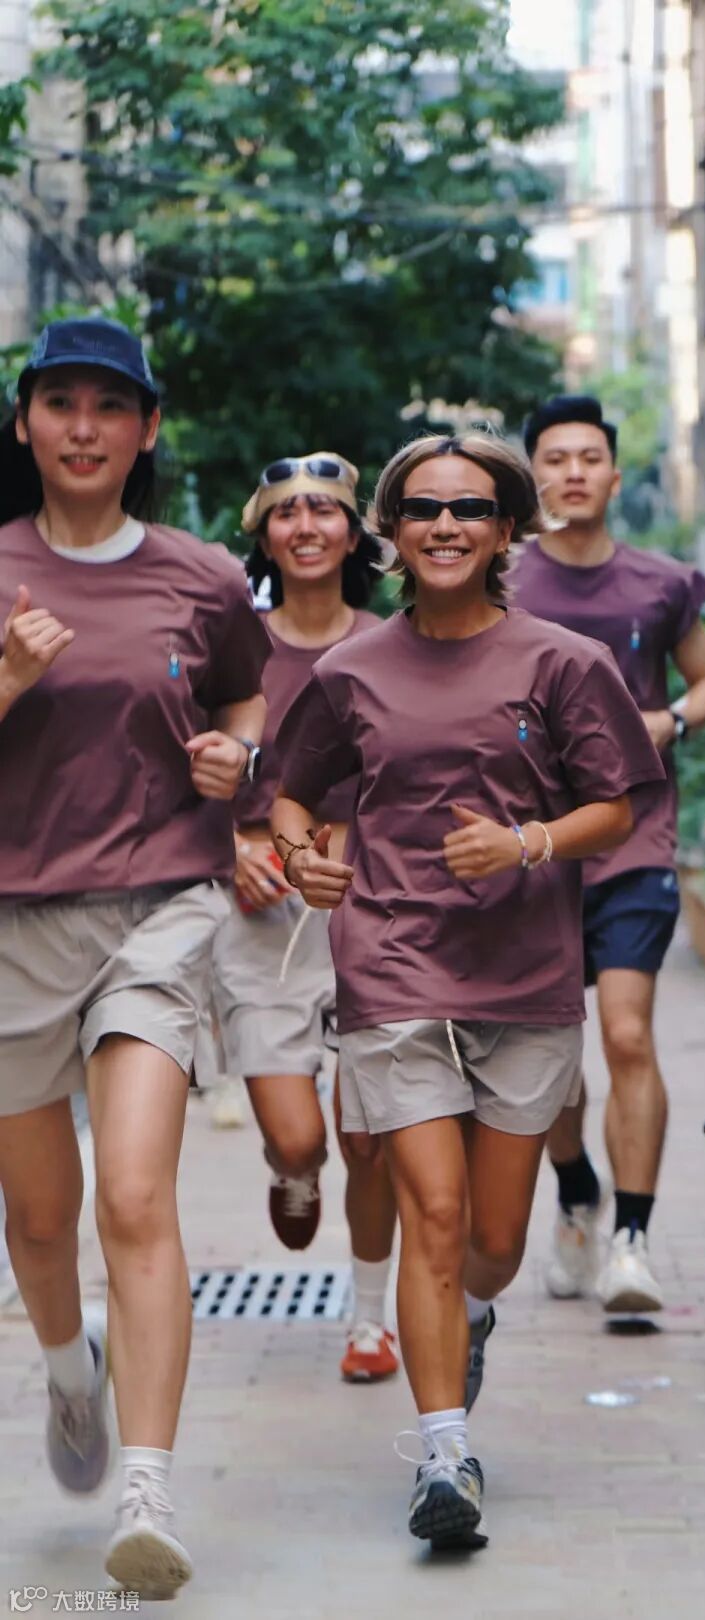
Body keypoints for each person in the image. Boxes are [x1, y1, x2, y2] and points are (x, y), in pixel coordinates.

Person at [271, 431, 664, 1551]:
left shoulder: (563, 662)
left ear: (505, 532)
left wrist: (528, 843)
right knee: (432, 1217)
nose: (446, 526)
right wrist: (301, 858)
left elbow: (617, 807)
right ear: (392, 534)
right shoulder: (349, 672)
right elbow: (293, 796)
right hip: (393, 964)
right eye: (424, 509)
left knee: (492, 1239)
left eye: (471, 509)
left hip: (525, 977)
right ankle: (444, 1457)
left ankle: (475, 1314)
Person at [0, 317, 270, 1597]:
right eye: (61, 402)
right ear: (25, 424)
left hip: (161, 908)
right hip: (14, 918)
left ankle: (148, 1491)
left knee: (134, 1197)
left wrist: (239, 757)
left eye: (111, 406)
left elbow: (245, 694)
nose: (85, 427)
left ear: (147, 429)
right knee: (39, 1218)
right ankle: (71, 1373)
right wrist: (8, 680)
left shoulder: (201, 577)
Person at [516, 395, 705, 1314]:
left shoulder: (659, 583)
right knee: (546, 1054)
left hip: (635, 838)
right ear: (532, 474)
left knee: (628, 1033)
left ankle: (632, 1243)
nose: (573, 472)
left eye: (589, 457)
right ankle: (576, 1191)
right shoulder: (500, 579)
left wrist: (670, 718)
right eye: (555, 458)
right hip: (532, 848)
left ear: (613, 473)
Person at [210, 453, 398, 1381]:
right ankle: (293, 1168)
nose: (308, 526)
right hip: (260, 915)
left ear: (355, 533)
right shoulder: (230, 646)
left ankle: (369, 1320)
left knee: (371, 1135)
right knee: (302, 1136)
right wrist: (230, 848)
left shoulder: (397, 643)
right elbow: (165, 768)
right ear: (264, 533)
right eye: (289, 512)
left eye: (327, 510)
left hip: (374, 911)